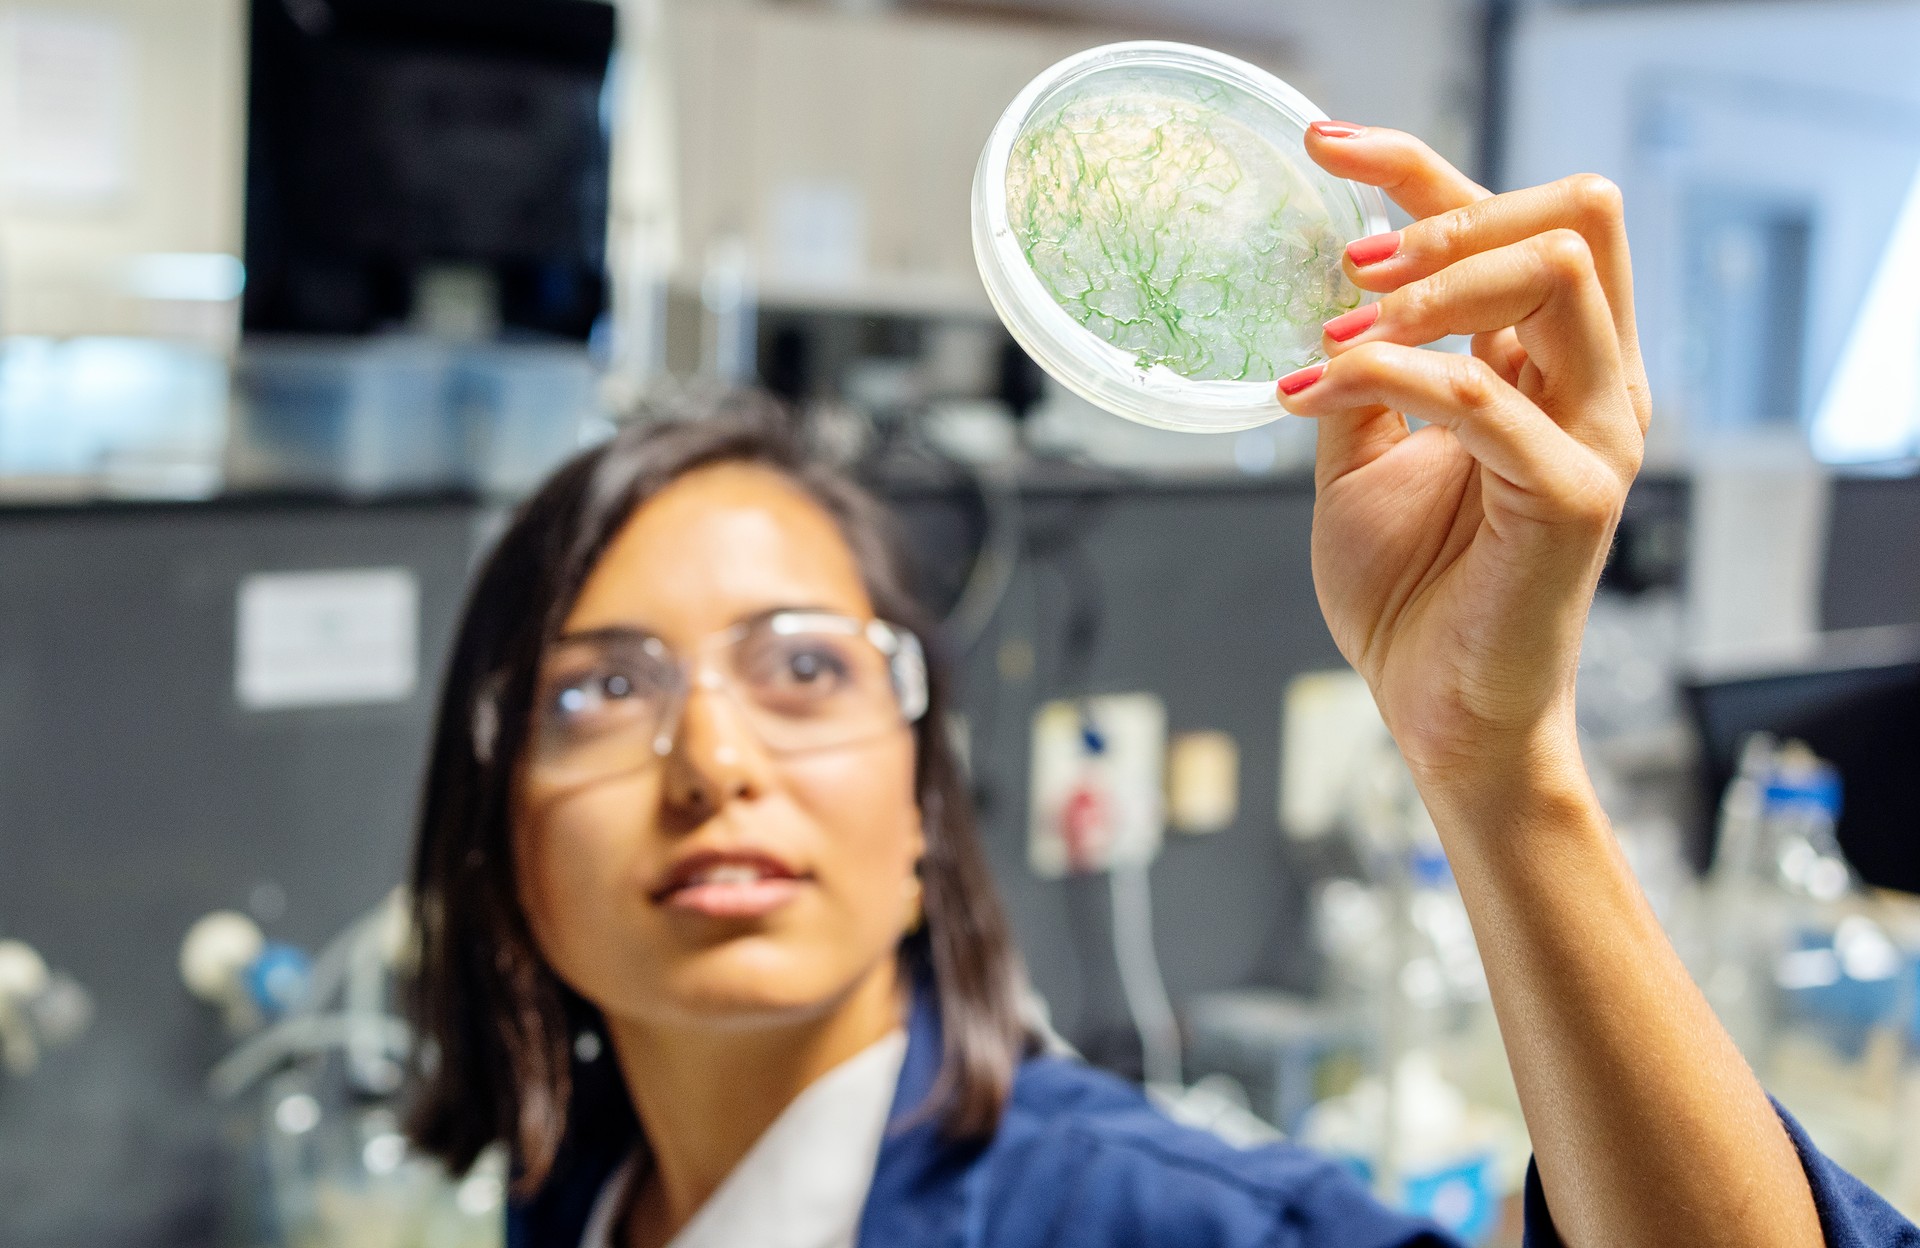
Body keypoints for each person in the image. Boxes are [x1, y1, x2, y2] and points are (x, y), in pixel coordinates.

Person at [403, 125, 1920, 1248]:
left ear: (925, 799)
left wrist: (1495, 756)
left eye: (807, 665)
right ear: (493, 825)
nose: (712, 760)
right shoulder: (583, 1192)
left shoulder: (1163, 1222)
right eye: (603, 691)